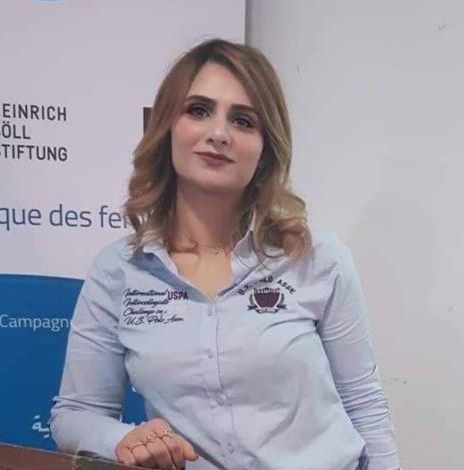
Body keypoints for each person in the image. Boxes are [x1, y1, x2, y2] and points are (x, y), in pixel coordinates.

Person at [49, 38, 401, 470]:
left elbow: (364, 405)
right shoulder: (118, 270)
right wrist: (122, 439)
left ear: (265, 149)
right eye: (198, 110)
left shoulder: (318, 258)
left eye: (243, 120)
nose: (218, 134)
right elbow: (74, 414)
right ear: (166, 127)